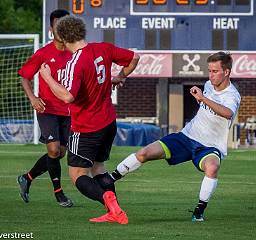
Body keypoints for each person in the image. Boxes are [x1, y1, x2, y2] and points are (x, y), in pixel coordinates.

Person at [109, 51, 241, 222]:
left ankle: (199, 212)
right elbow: (207, 108)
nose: (211, 75)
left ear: (227, 72)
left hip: (209, 146)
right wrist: (199, 97)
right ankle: (110, 179)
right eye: (209, 71)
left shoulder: (232, 95)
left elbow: (227, 113)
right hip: (186, 137)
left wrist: (203, 98)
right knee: (144, 153)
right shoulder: (208, 85)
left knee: (213, 168)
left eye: (215, 71)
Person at [39, 16, 140, 224]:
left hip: (86, 127)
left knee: (77, 174)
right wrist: (120, 76)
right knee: (99, 168)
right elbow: (134, 58)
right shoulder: (103, 48)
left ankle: (108, 201)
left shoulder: (75, 62)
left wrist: (47, 78)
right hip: (108, 121)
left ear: (64, 38)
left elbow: (67, 96)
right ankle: (115, 210)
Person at [17, 9, 73, 207]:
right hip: (47, 109)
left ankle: (27, 178)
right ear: (51, 29)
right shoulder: (43, 53)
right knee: (53, 150)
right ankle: (59, 194)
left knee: (60, 153)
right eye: (57, 25)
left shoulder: (76, 52)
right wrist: (32, 97)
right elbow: (24, 76)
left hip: (69, 111)